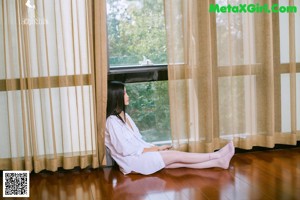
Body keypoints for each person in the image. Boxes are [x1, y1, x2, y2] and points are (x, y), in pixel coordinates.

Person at [105, 81, 235, 175]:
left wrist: (155, 149)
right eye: (125, 93)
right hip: (133, 162)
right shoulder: (111, 121)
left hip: (140, 156)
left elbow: (138, 141)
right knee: (177, 155)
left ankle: (219, 162)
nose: (128, 96)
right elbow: (125, 149)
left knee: (180, 162)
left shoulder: (125, 116)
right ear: (116, 97)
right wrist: (157, 149)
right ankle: (215, 155)